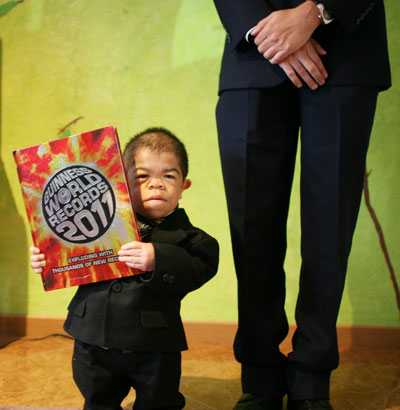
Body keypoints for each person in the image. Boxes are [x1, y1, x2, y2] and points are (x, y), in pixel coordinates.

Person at [212, 1, 391, 409]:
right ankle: (260, 376)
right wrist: (269, 29)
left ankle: (312, 376)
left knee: (329, 224)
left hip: (345, 50)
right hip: (252, 52)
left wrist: (317, 11)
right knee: (250, 225)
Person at [30, 127, 219, 410]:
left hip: (155, 344)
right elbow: (65, 250)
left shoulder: (193, 239)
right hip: (93, 338)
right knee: (98, 399)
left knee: (159, 402)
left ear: (183, 186)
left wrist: (159, 258)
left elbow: (200, 268)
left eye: (168, 175)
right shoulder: (96, 222)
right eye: (142, 176)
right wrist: (46, 260)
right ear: (120, 183)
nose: (156, 184)